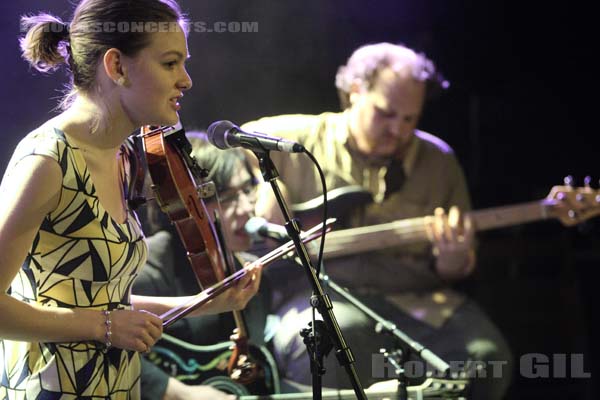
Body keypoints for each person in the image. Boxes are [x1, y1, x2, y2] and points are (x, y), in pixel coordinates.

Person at [0, 1, 261, 398]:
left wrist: (201, 303)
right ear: (117, 67)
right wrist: (103, 326)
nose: (186, 80)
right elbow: (101, 317)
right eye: (170, 63)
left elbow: (103, 299)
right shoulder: (47, 162)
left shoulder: (124, 155)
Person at [241, 43, 512, 399]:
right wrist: (263, 187)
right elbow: (228, 147)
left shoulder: (439, 161)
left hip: (414, 298)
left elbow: (457, 269)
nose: (398, 129)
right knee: (336, 342)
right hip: (321, 293)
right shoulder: (298, 139)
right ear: (355, 91)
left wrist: (455, 259)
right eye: (386, 114)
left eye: (409, 119)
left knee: (487, 358)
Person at [133, 133, 277, 399]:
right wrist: (177, 393)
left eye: (247, 190)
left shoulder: (251, 281)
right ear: (187, 203)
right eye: (226, 197)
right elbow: (105, 346)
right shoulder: (146, 272)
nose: (246, 208)